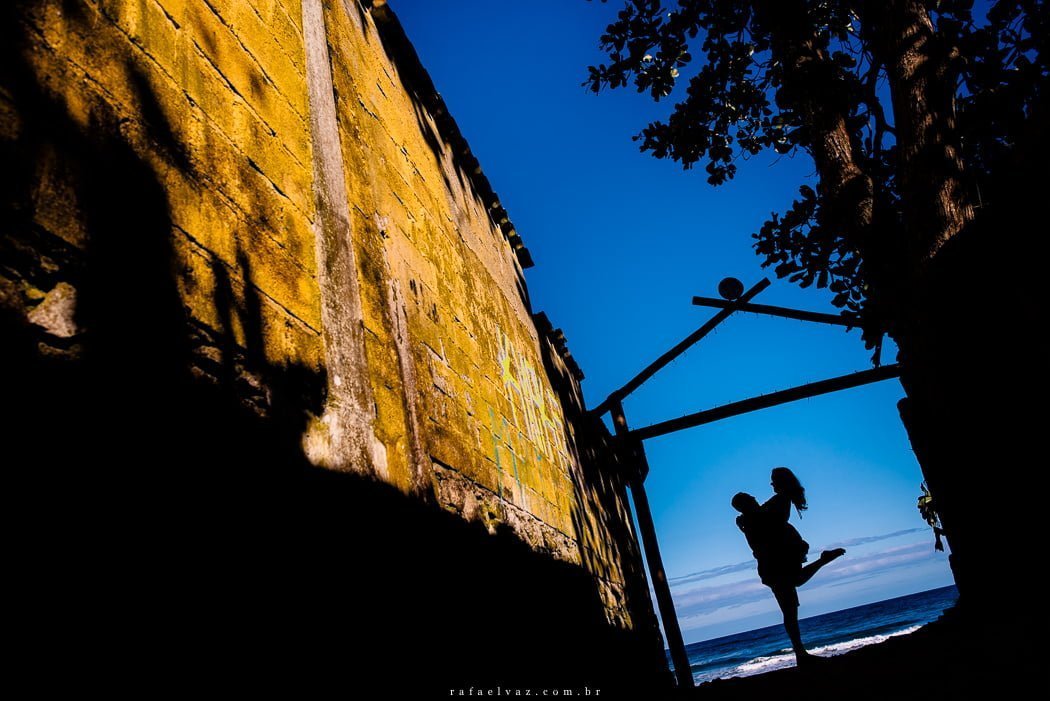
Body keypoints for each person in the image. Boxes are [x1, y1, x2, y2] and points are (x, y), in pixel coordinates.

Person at [732, 467, 846, 666]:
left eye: (773, 480)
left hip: (775, 564)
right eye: (750, 498)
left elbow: (771, 528)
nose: (770, 485)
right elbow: (764, 535)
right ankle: (801, 654)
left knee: (790, 606)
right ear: (746, 504)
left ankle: (801, 654)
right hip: (773, 565)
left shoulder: (770, 506)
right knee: (792, 601)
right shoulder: (759, 514)